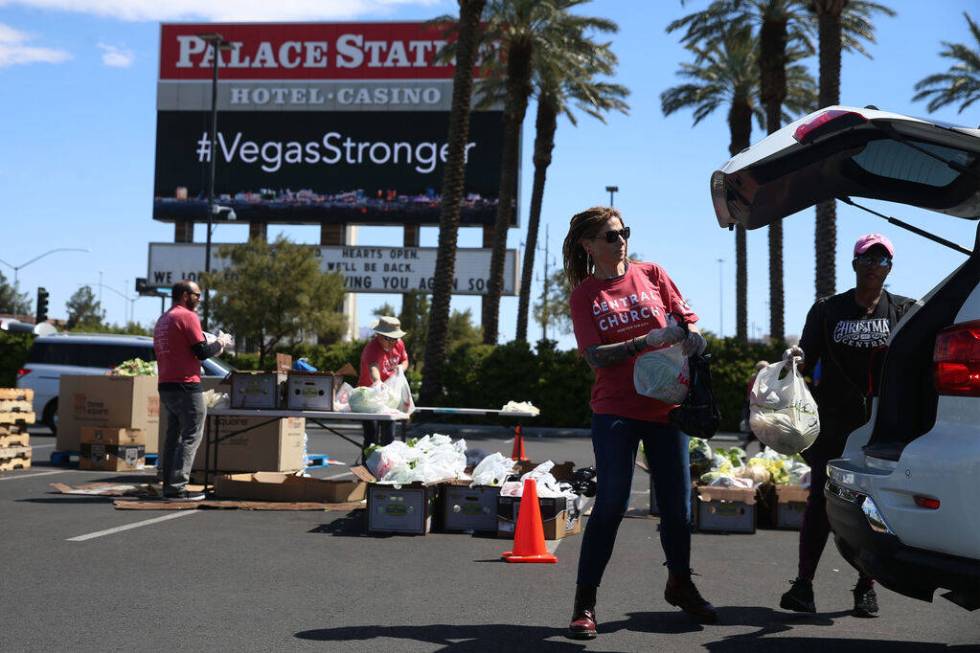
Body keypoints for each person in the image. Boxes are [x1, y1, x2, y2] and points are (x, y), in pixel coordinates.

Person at [564, 206, 715, 640]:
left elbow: (685, 322)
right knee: (611, 501)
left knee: (678, 506)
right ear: (589, 245)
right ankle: (585, 603)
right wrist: (642, 341)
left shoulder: (653, 273)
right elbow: (595, 356)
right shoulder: (585, 295)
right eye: (610, 236)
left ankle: (680, 583)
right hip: (615, 409)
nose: (621, 240)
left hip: (668, 407)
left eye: (624, 232)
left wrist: (690, 338)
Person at [780, 234, 915, 617]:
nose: (874, 265)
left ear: (890, 267)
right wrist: (793, 360)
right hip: (832, 422)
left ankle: (865, 587)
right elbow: (806, 358)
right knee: (820, 501)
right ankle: (803, 585)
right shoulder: (827, 310)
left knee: (870, 505)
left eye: (882, 259)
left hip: (878, 425)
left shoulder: (903, 310)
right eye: (867, 259)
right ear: (854, 264)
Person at [154, 280, 231, 501]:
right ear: (185, 295)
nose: (199, 299)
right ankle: (177, 488)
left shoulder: (163, 319)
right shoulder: (187, 316)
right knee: (191, 435)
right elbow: (201, 351)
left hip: (166, 384)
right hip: (186, 385)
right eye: (197, 295)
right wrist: (221, 342)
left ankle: (168, 484)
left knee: (173, 437)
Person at [358, 316, 409, 454]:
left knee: (388, 437)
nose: (393, 342)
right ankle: (367, 470)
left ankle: (384, 468)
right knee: (371, 437)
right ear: (379, 335)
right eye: (389, 338)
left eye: (395, 338)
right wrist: (377, 382)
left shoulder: (399, 344)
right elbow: (373, 367)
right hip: (369, 397)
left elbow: (405, 361)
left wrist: (400, 368)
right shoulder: (372, 348)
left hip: (389, 397)